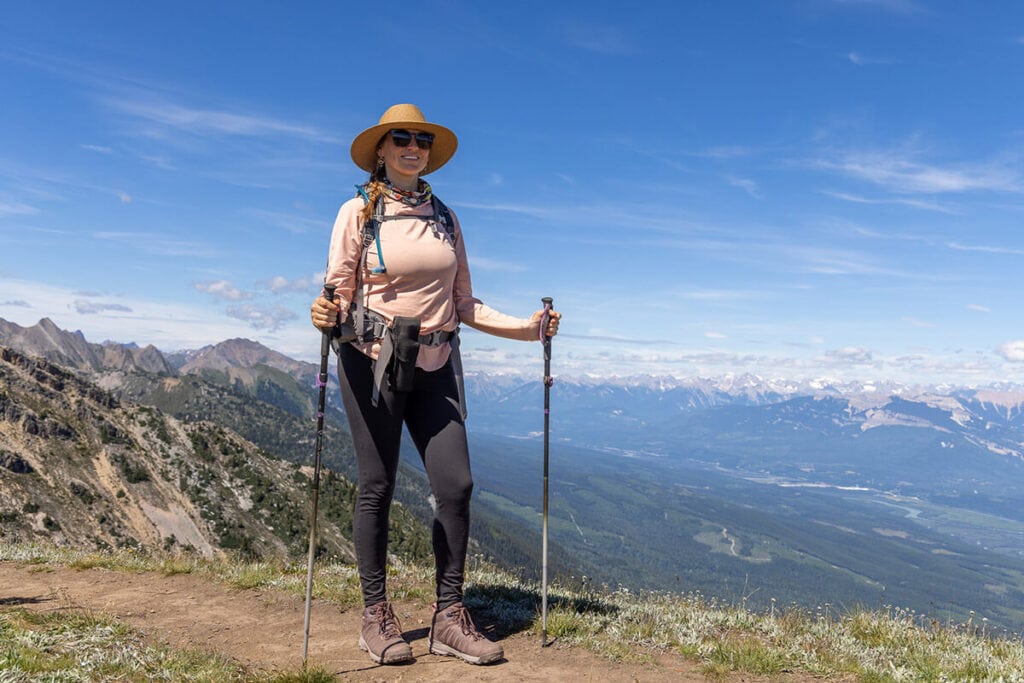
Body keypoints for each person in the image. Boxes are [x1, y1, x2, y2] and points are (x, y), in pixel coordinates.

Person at [309, 103, 560, 666]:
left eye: (421, 139)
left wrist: (529, 328)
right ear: (381, 149)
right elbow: (335, 293)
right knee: (377, 484)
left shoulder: (445, 216)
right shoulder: (356, 213)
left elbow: (463, 302)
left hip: (437, 362)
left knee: (457, 484)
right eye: (401, 137)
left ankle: (449, 617)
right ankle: (376, 617)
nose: (413, 146)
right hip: (371, 361)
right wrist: (322, 313)